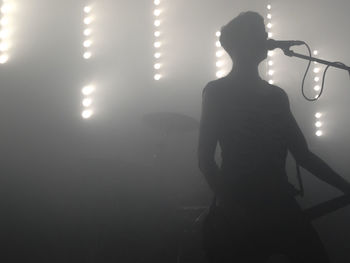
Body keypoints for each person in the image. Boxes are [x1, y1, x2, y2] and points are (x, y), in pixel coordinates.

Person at [198, 11, 350, 263]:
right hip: (241, 203)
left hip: (277, 200)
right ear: (240, 44)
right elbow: (205, 159)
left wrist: (345, 186)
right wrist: (231, 207)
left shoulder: (276, 96)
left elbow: (303, 155)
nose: (266, 37)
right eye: (259, 32)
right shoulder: (217, 92)